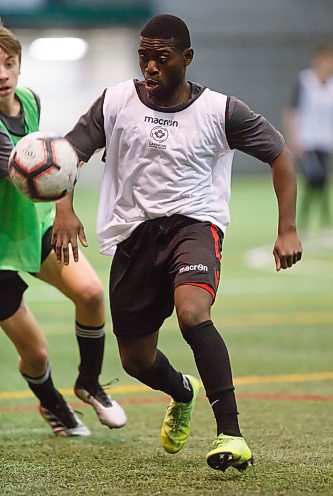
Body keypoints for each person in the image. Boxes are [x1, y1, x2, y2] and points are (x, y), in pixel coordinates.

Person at [52, 14, 302, 471]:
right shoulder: (115, 102)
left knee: (192, 314)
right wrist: (63, 209)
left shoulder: (221, 111)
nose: (150, 67)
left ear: (186, 58)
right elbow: (68, 154)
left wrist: (287, 227)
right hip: (133, 235)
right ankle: (181, 391)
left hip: (194, 227)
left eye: (161, 59)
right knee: (136, 360)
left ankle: (231, 433)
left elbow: (279, 153)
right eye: (143, 57)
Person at [0, 23, 127, 437]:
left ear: (19, 66)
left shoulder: (29, 100)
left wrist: (62, 210)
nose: (2, 73)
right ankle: (53, 405)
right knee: (35, 355)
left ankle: (89, 384)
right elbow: (26, 170)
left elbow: (47, 163)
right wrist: (61, 198)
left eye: (9, 63)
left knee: (91, 293)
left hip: (31, 229)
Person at [284, 44, 333, 233]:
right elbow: (292, 111)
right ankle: (303, 223)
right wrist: (294, 138)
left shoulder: (331, 86)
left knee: (322, 182)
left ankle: (323, 224)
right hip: (307, 141)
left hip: (325, 141)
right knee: (314, 178)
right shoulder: (305, 81)